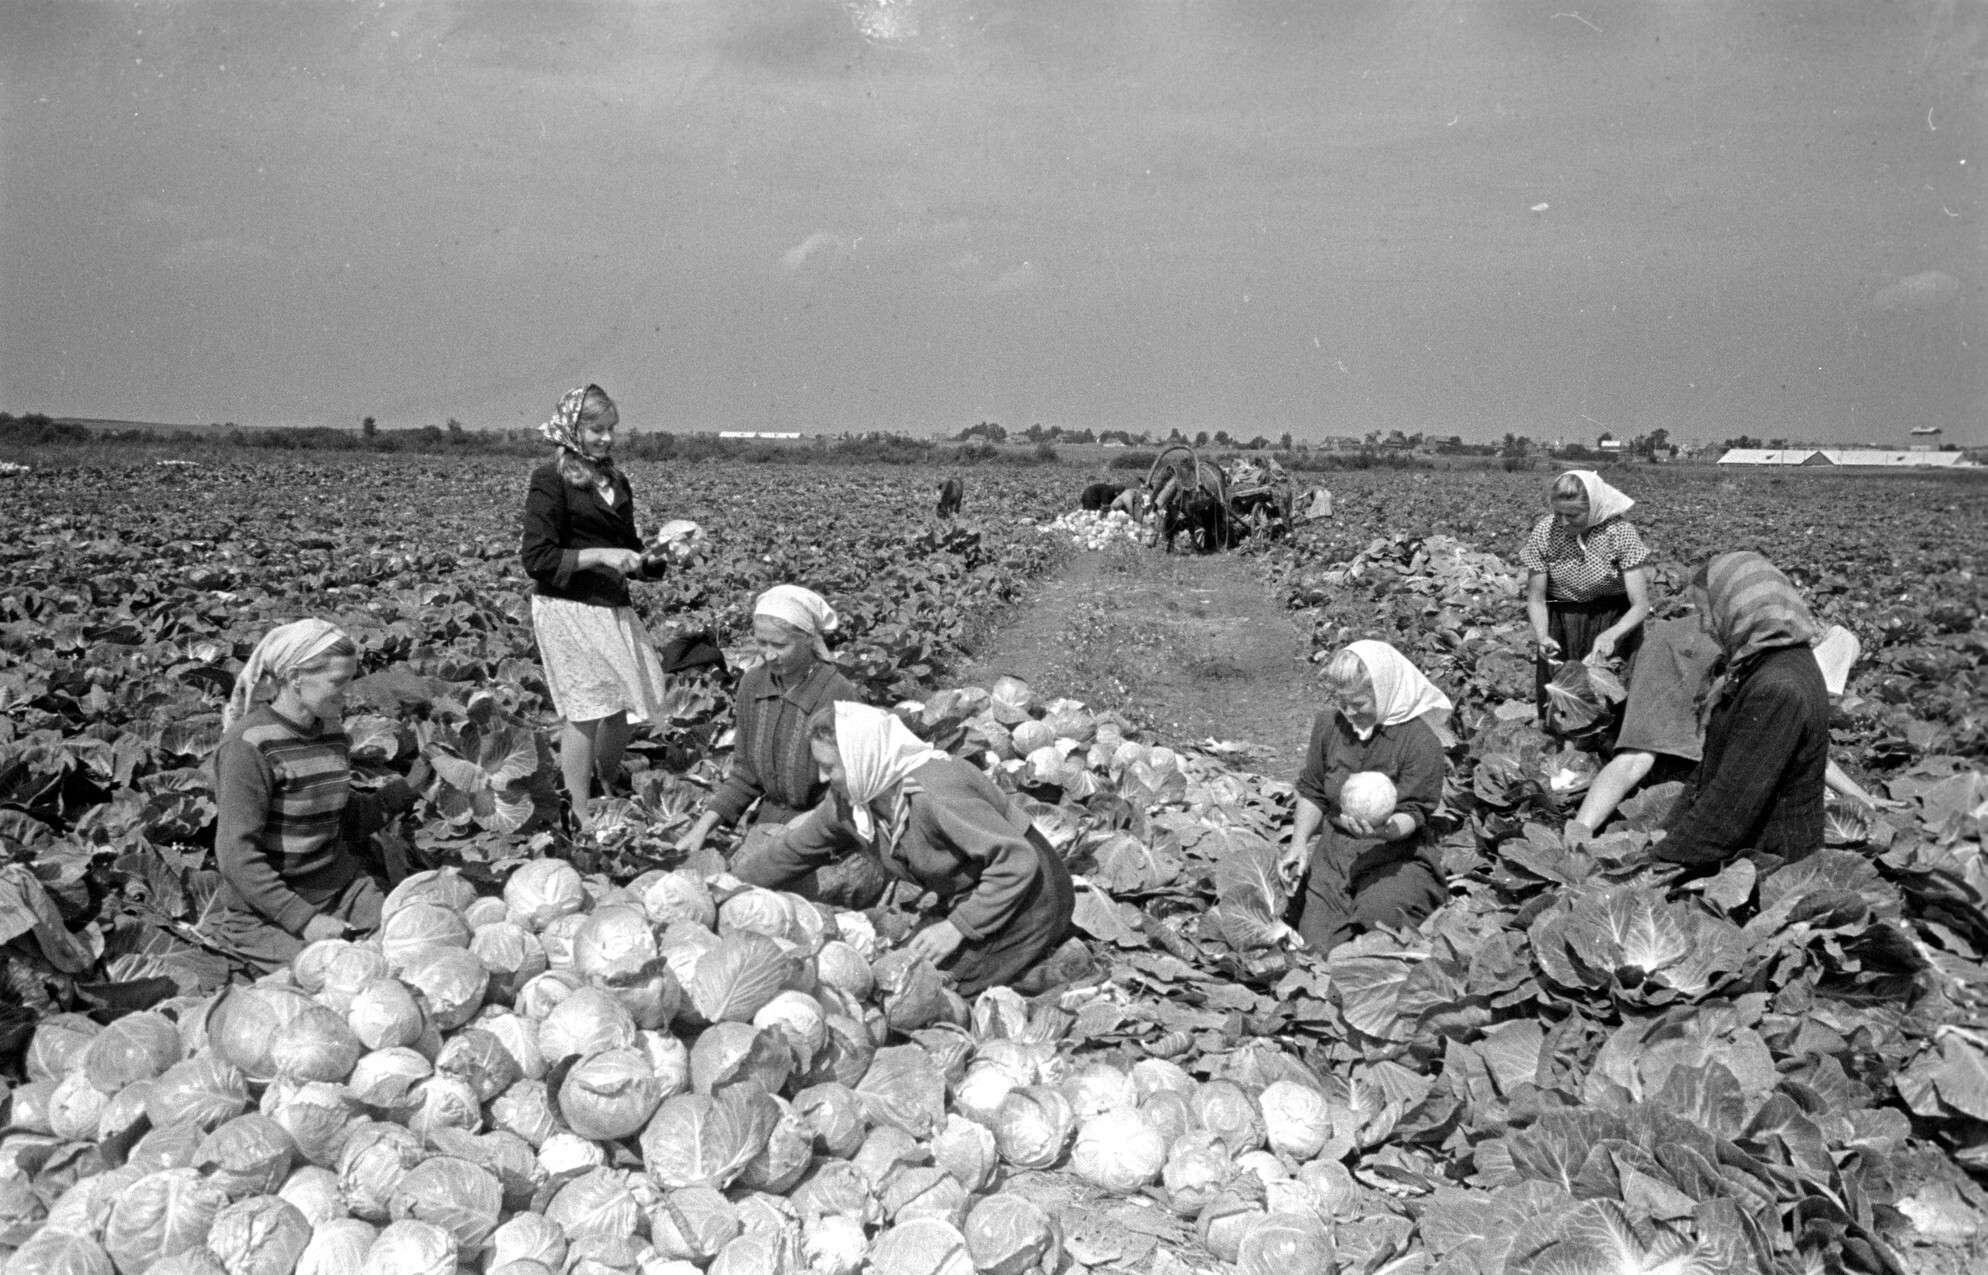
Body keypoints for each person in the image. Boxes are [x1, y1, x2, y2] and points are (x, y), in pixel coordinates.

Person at [733, 702, 1075, 997]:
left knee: (937, 986)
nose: (823, 779)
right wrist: (728, 888)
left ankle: (1060, 964)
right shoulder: (856, 797)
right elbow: (794, 850)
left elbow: (1016, 860)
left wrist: (958, 927)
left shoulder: (935, 791)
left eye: (829, 768)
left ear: (860, 758)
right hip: (976, 891)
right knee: (911, 969)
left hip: (1032, 893)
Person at [206, 620, 427, 972]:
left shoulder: (332, 731)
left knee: (415, 946)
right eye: (338, 682)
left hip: (342, 891)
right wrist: (305, 921)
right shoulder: (248, 747)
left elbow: (343, 818)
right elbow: (235, 855)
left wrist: (410, 786)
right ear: (295, 678)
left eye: (351, 680)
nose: (348, 693)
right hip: (268, 912)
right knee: (338, 977)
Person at [1571, 601, 1891, 837]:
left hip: (1683, 654)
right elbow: (1798, 746)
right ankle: (1578, 834)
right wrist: (1862, 799)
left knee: (1642, 757)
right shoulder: (1791, 660)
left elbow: (1797, 744)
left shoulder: (1784, 633)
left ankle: (1578, 834)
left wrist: (1861, 798)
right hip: (1681, 660)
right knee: (1638, 757)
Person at [519, 384, 670, 837]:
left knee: (627, 701)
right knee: (585, 708)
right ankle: (580, 809)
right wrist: (601, 555)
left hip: (610, 604)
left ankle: (607, 780)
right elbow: (538, 558)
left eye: (610, 430)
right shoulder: (551, 479)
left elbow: (630, 551)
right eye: (595, 429)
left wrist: (658, 558)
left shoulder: (616, 481)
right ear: (572, 429)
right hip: (566, 606)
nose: (605, 439)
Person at [676, 586, 883, 905]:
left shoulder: (837, 694)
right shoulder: (752, 685)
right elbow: (745, 775)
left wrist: (807, 826)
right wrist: (701, 828)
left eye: (780, 645)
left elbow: (854, 787)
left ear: (808, 640)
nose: (769, 654)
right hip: (770, 825)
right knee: (739, 894)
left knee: (809, 898)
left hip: (832, 831)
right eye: (761, 643)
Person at [1654, 552, 1832, 867]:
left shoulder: (1776, 687)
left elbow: (1731, 806)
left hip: (1769, 865)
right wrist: (1666, 832)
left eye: (1706, 613)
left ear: (1736, 607)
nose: (1706, 626)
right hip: (1746, 850)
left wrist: (1658, 862)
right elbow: (1717, 771)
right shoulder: (1772, 661)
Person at [1278, 641, 1451, 953]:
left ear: (1384, 693)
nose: (1349, 712)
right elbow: (1313, 790)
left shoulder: (1420, 741)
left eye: (1358, 703)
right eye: (1342, 702)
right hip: (1334, 853)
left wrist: (1384, 829)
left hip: (1396, 855)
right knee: (1314, 950)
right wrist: (1299, 845)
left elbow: (1415, 811)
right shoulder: (1329, 725)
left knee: (1379, 926)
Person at [1519, 470, 1652, 726]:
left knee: (1610, 699)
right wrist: (1542, 636)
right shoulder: (1545, 532)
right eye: (1558, 514)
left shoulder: (1620, 533)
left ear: (1594, 509)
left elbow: (1640, 605)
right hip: (1563, 621)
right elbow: (1536, 598)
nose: (1564, 522)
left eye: (1573, 516)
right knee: (1563, 699)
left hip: (1613, 620)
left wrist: (1612, 635)